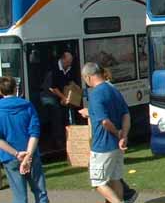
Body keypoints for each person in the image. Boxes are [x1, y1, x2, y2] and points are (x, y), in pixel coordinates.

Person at [77, 68, 136, 203]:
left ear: (88, 77)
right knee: (115, 179)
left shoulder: (96, 94)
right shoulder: (113, 89)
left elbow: (104, 121)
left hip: (102, 146)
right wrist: (124, 135)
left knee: (98, 182)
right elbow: (125, 114)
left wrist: (117, 133)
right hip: (117, 145)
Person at [0, 76, 50, 203]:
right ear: (16, 88)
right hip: (31, 153)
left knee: (20, 197)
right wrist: (28, 155)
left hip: (10, 157)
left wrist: (16, 154)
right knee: (40, 193)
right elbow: (35, 132)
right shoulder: (27, 105)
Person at [40, 51, 79, 149]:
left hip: (62, 95)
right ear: (62, 59)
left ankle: (70, 139)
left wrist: (70, 96)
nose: (70, 63)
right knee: (57, 116)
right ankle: (59, 142)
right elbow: (52, 88)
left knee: (67, 115)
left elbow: (70, 83)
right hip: (49, 96)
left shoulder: (70, 68)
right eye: (68, 61)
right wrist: (64, 98)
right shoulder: (53, 69)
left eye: (71, 61)